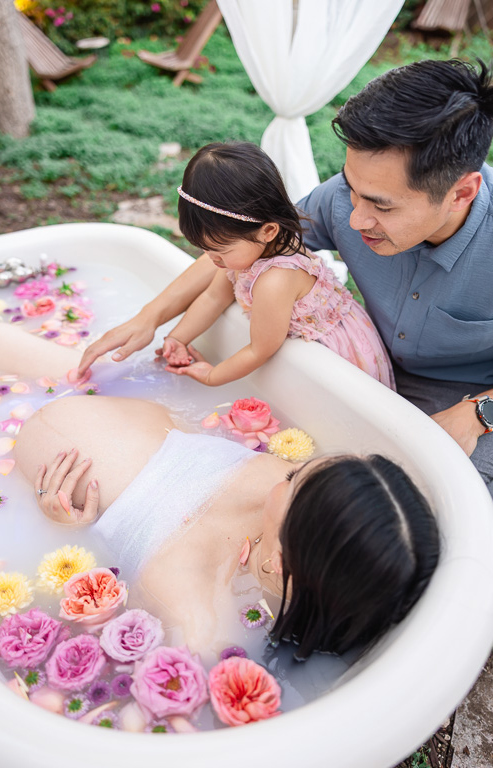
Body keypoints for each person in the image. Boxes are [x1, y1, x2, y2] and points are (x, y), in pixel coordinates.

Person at [78, 59, 493, 497]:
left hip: (472, 396)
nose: (354, 218)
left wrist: (478, 413)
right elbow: (245, 246)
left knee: (445, 509)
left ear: (461, 193)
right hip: (370, 371)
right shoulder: (341, 199)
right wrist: (150, 317)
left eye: (381, 206)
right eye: (351, 187)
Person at [0, 322, 438, 659]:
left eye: (296, 478)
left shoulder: (197, 607)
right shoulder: (296, 514)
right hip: (88, 388)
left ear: (280, 560)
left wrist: (67, 532)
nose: (298, 465)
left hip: (6, 446)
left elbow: (101, 615)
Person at [160, 142, 394, 388]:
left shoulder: (276, 278)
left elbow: (259, 350)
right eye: (205, 250)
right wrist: (178, 337)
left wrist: (212, 376)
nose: (213, 260)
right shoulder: (249, 250)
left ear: (268, 230)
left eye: (220, 251)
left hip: (338, 356)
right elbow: (213, 298)